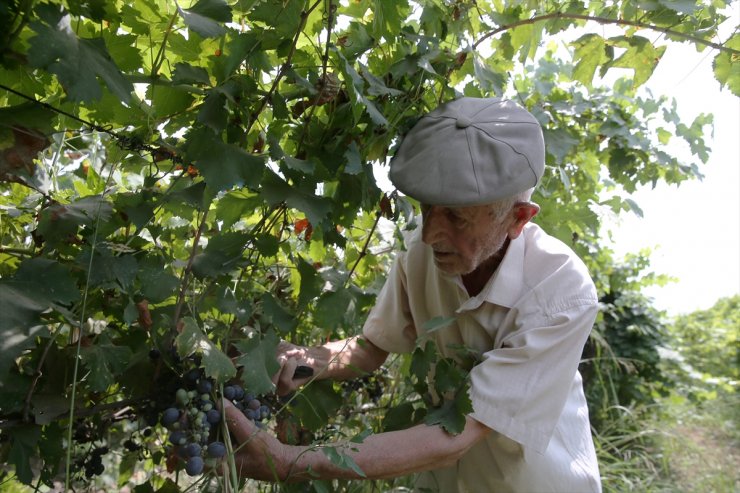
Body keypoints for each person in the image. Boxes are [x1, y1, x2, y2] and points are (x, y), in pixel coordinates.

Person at [223, 97, 602, 492]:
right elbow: (370, 348)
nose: (429, 235)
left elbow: (460, 432)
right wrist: (305, 360)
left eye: (456, 216)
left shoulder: (560, 291)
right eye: (427, 209)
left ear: (518, 219)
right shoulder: (421, 253)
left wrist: (288, 462)